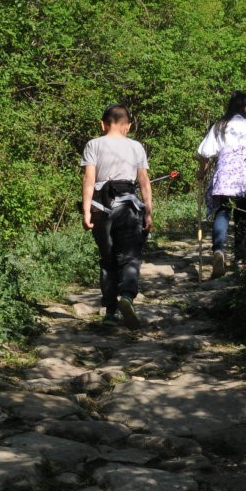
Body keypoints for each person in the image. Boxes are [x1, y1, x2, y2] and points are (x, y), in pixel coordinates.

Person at [81, 104, 153, 327]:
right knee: (130, 256)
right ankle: (128, 296)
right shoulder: (136, 147)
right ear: (127, 126)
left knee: (108, 259)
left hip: (100, 208)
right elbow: (143, 182)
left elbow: (89, 179)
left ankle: (110, 312)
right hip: (128, 206)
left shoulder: (93, 144)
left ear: (103, 124)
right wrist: (148, 212)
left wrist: (86, 210)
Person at [196, 90, 246, 275]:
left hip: (225, 175)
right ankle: (241, 260)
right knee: (242, 215)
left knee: (222, 211)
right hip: (245, 176)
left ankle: (219, 251)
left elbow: (205, 153)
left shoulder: (219, 126)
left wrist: (201, 172)